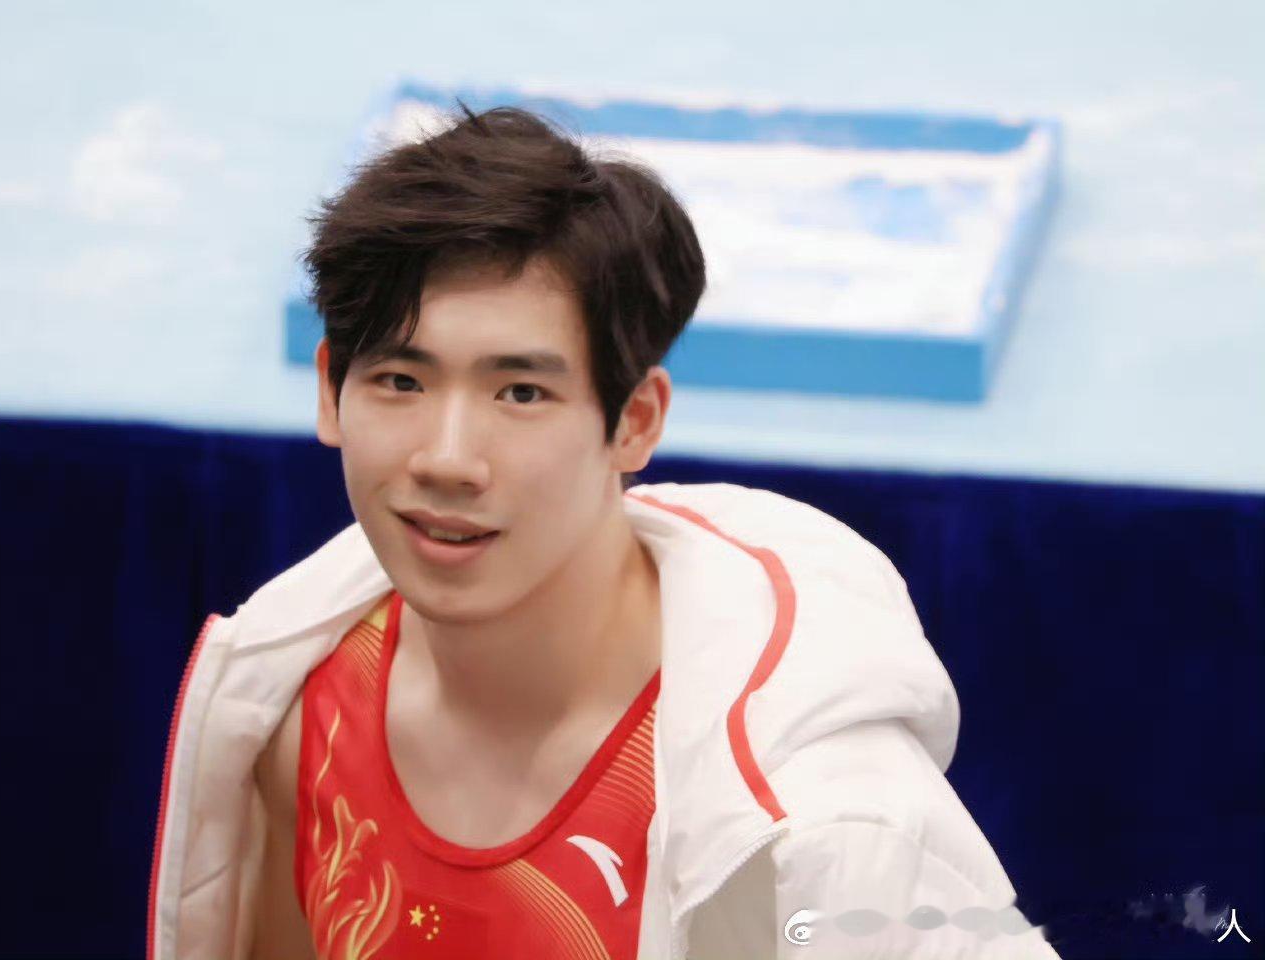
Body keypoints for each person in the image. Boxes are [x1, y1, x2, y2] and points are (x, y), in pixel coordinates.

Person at [148, 104, 1059, 960]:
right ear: (329, 392)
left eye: (521, 392)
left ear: (635, 421)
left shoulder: (821, 824)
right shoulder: (300, 714)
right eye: (401, 381)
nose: (448, 459)